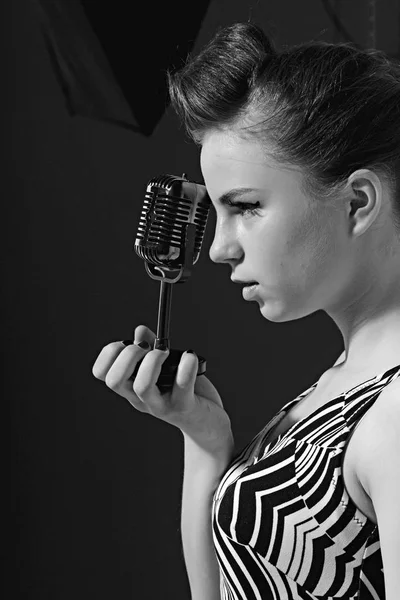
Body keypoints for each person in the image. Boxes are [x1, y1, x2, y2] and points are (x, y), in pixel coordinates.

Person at [92, 22, 400, 600]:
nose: (218, 248)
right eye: (218, 212)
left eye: (248, 208)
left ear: (357, 202)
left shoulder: (394, 418)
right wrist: (205, 438)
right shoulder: (339, 387)